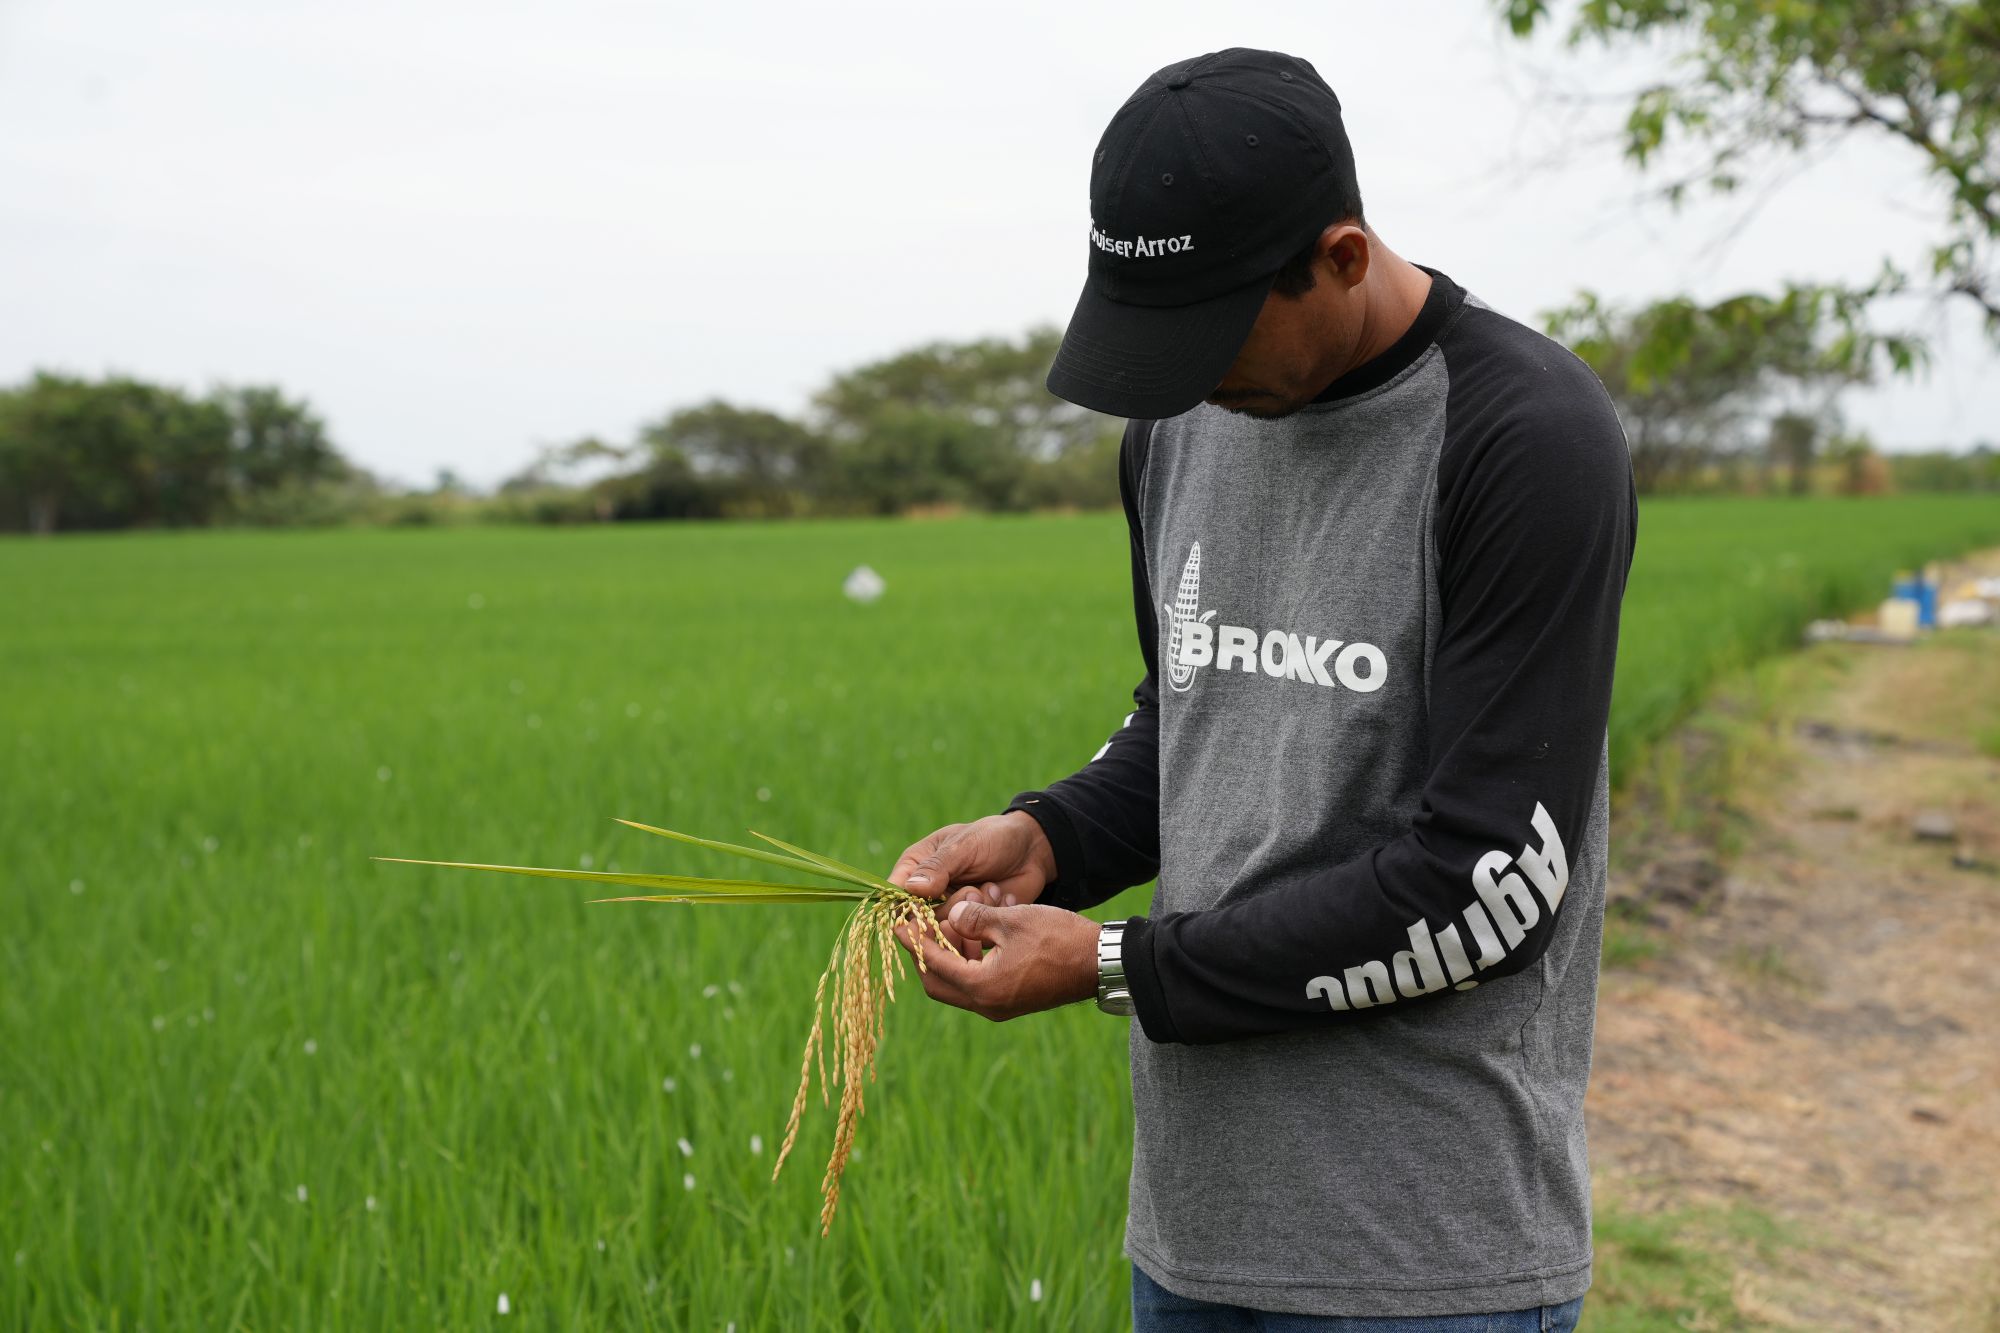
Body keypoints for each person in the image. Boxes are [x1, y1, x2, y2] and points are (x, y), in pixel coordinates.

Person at [887, 46, 1635, 1330]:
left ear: (1340, 257)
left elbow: (1487, 881)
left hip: (1424, 1258)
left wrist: (1113, 963)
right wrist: (1048, 838)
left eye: (1212, 326)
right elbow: (1189, 719)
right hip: (1194, 1232)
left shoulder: (1521, 437)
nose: (1183, 374)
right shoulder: (1179, 421)